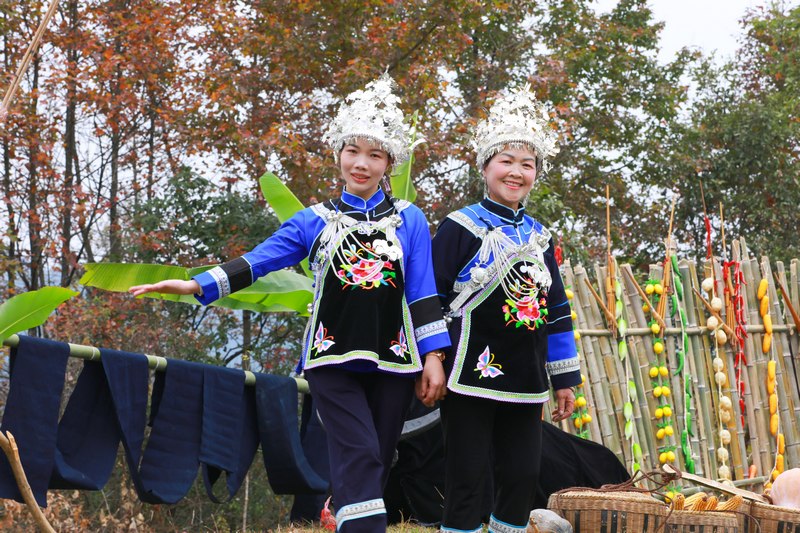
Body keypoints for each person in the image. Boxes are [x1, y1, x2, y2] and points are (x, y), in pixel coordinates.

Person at [129, 74, 450, 533]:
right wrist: (196, 285)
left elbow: (420, 290)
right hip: (331, 356)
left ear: (389, 164)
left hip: (396, 360)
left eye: (374, 155)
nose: (362, 164)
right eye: (353, 152)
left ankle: (344, 519)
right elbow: (260, 261)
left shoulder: (410, 219)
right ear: (338, 155)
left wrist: (433, 357)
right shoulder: (312, 221)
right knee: (357, 451)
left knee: (376, 457)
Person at [431, 86, 582, 533]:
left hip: (527, 375)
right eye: (506, 161)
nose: (516, 172)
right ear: (484, 167)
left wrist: (565, 379)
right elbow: (432, 297)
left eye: (527, 164)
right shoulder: (459, 227)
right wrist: (432, 359)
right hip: (467, 373)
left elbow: (554, 307)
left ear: (536, 173)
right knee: (467, 476)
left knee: (523, 475)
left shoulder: (540, 236)